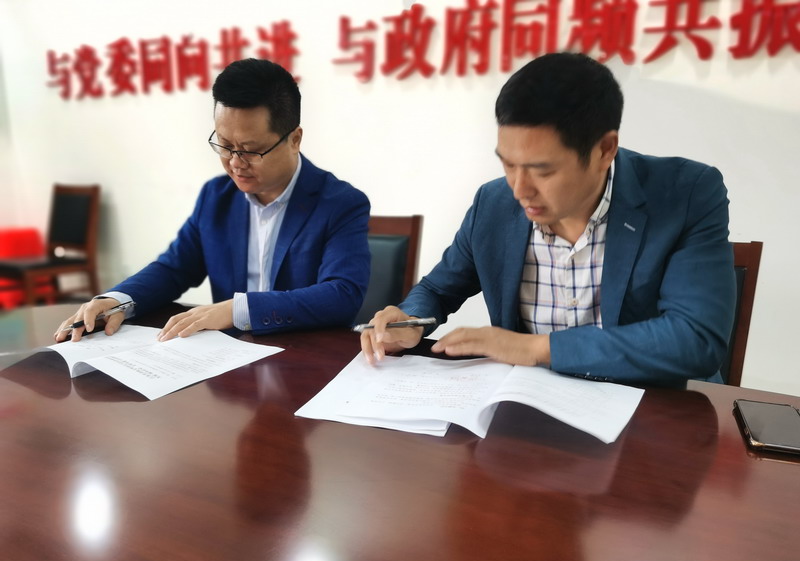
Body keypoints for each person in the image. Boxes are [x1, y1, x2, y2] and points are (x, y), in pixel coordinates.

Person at [362, 52, 736, 386]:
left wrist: (537, 348)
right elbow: (438, 289)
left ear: (604, 150)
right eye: (508, 165)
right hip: (530, 405)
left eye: (543, 171)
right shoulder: (493, 203)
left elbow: (695, 340)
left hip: (653, 410)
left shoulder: (685, 193)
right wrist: (410, 321)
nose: (520, 189)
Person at [55, 59, 370, 343]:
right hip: (228, 360)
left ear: (294, 139)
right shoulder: (216, 197)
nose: (235, 162)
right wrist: (118, 300)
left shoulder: (340, 204)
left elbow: (342, 294)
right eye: (224, 144)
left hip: (305, 359)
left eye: (250, 150)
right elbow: (174, 268)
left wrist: (237, 309)